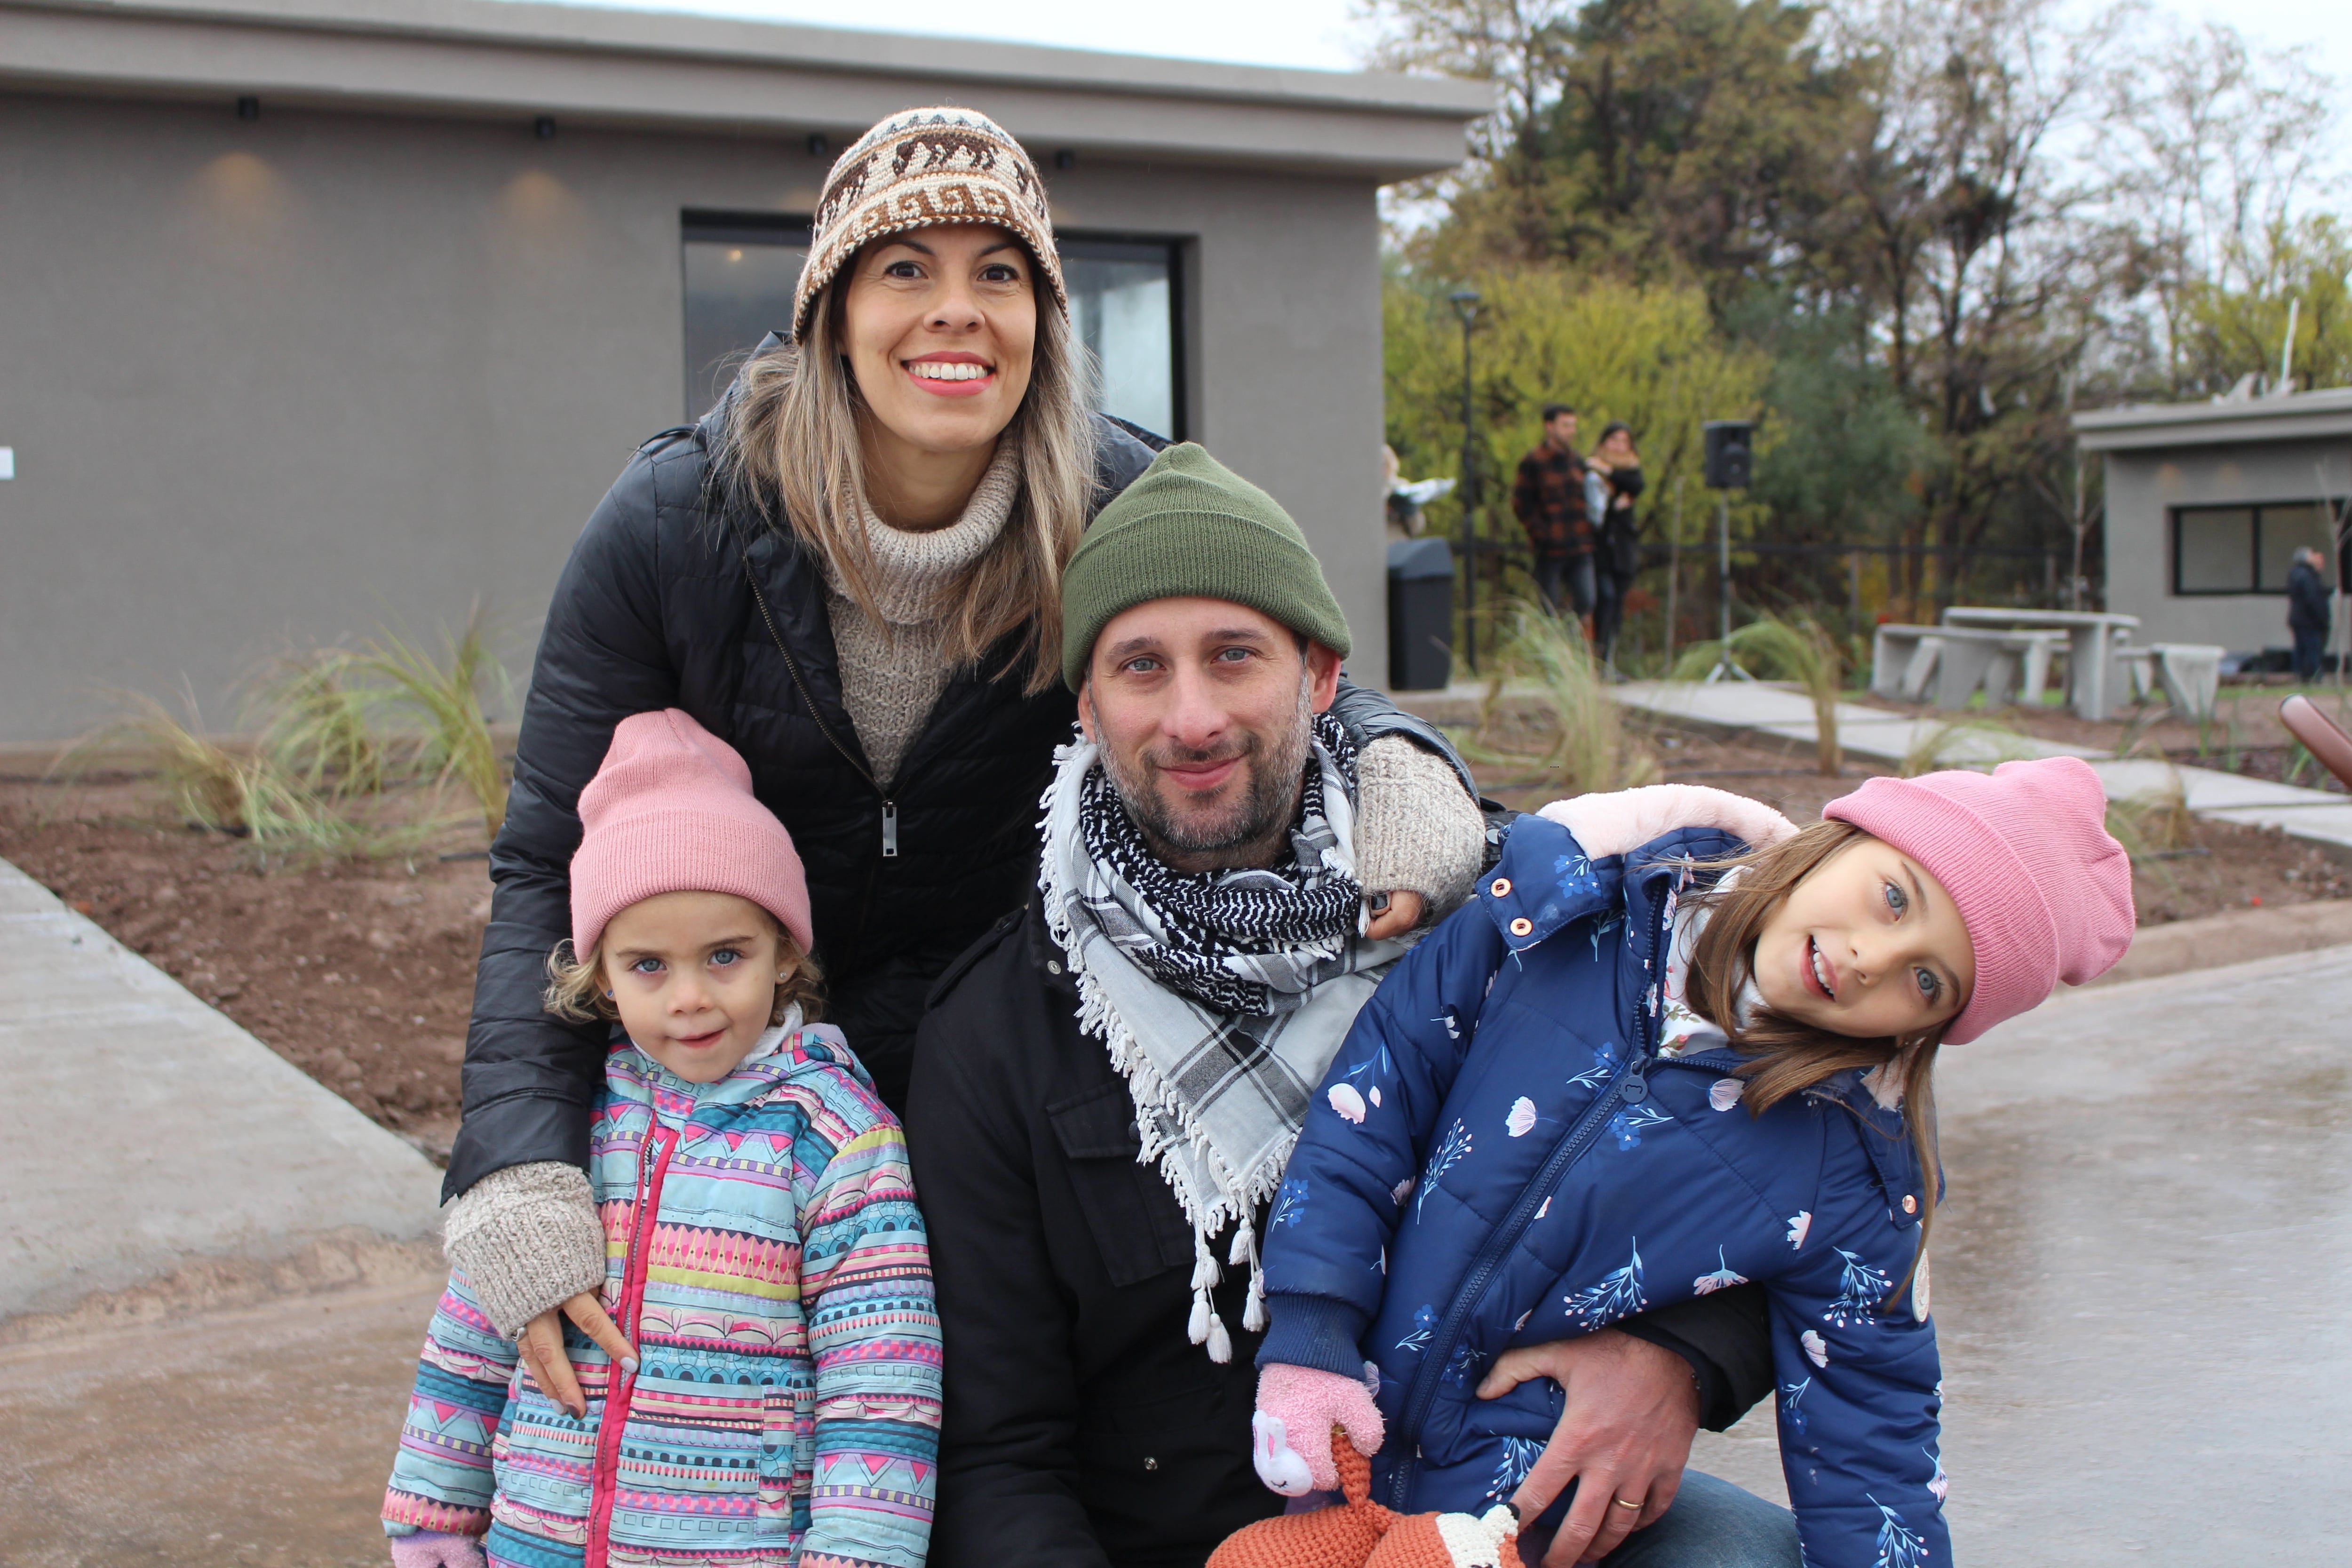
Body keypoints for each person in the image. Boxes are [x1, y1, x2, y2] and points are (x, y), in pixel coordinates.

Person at [436, 105, 1478, 1406]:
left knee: (960, 1449)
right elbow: (549, 854)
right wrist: (519, 1160)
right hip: (726, 1073)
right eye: (904, 270)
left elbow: (1286, 666)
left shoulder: (1109, 502)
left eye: (1000, 273)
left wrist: (1400, 760)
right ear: (832, 311)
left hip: (992, 1080)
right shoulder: (678, 521)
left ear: (1043, 319)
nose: (956, 310)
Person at [908, 444, 1803, 1568]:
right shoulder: (1000, 1030)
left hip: (1510, 1517)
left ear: (1321, 675)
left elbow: (1801, 1146)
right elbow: (1001, 1459)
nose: (1191, 716)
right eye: (1142, 667)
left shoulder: (1507, 908)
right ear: (1087, 705)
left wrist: (1680, 1359)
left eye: (1235, 656)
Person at [1248, 760, 2135, 1567]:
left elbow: (1874, 1436)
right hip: (1332, 1436)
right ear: (1845, 837)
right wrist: (1313, 1331)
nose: (1874, 957)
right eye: (1896, 899)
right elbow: (1372, 1103)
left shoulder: (1853, 1173)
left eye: (1929, 980)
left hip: (1509, 1527)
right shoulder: (1566, 908)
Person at [381, 709, 938, 1568]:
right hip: (539, 1543)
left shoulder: (835, 1138)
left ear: (785, 951)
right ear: (598, 971)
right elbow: (476, 1323)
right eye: (649, 964)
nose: (689, 997)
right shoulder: (564, 1128)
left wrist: (858, 1553)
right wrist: (435, 1508)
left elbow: (883, 1373)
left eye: (725, 955)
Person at [1511, 405, 1593, 628]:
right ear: (1550, 427)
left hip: (1579, 547)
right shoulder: (1533, 462)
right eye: (1565, 425)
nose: (1571, 431)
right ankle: (1554, 647)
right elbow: (1521, 504)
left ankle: (1569, 638)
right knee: (1548, 607)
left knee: (1587, 600)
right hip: (1550, 549)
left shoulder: (1577, 461)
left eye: (1573, 426)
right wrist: (1542, 534)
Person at [1582, 422, 1645, 666]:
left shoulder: (1630, 470)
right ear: (1604, 441)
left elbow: (1636, 485)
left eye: (1624, 441)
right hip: (1599, 549)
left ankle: (1607, 659)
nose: (1619, 446)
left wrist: (1608, 471)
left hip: (1623, 550)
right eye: (1614, 440)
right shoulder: (1590, 468)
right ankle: (1595, 657)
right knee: (1604, 598)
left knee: (1617, 604)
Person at [2288, 544, 2331, 682]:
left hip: (2298, 619)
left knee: (2300, 649)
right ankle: (2315, 676)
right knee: (2313, 649)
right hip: (2309, 620)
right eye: (2312, 555)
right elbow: (2313, 599)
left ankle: (2300, 676)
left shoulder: (2295, 574)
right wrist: (2321, 617)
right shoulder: (2307, 576)